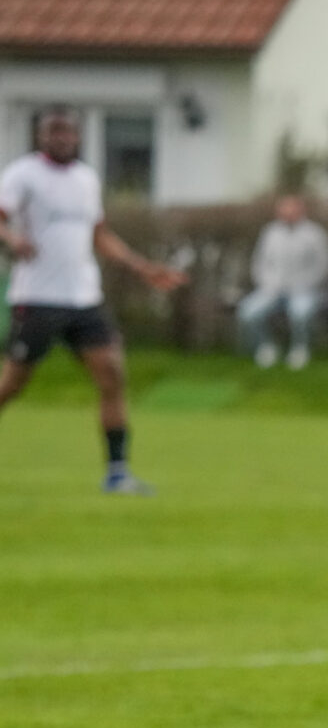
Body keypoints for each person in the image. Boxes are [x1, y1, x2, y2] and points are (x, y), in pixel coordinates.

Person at [0, 106, 186, 494]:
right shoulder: (23, 175)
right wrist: (13, 238)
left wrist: (140, 266)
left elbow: (98, 234)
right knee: (13, 384)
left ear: (78, 137)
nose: (62, 138)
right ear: (41, 136)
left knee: (113, 376)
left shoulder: (86, 179)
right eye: (54, 131)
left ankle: (117, 472)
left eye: (68, 132)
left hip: (83, 297)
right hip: (36, 295)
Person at [239, 193, 328, 369]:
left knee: (300, 314)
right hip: (272, 289)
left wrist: (307, 283)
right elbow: (260, 262)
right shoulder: (270, 232)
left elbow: (323, 264)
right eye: (283, 211)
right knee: (248, 313)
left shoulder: (314, 233)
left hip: (303, 289)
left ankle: (300, 349)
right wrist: (266, 283)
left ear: (300, 211)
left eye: (291, 211)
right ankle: (266, 346)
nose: (287, 215)